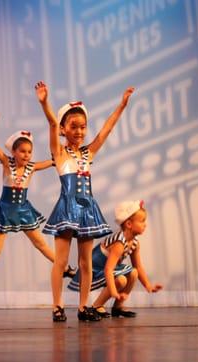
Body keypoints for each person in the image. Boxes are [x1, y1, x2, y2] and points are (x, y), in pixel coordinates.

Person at [35, 80, 135, 322]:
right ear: (63, 129)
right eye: (73, 126)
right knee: (61, 261)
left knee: (85, 261)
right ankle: (57, 306)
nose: (79, 131)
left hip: (87, 209)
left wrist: (122, 106)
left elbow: (107, 130)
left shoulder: (88, 153)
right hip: (67, 208)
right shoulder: (58, 153)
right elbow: (50, 122)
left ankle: (83, 307)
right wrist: (44, 102)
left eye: (83, 127)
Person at [0, 109, 76, 293]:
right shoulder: (6, 162)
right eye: (22, 151)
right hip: (6, 209)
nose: (26, 155)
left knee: (40, 243)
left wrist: (65, 142)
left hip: (23, 210)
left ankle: (65, 268)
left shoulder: (32, 167)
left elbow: (55, 159)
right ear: (14, 151)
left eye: (29, 152)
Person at [68, 200, 162, 318]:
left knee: (133, 272)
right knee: (121, 280)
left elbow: (138, 266)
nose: (145, 224)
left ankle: (118, 306)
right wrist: (113, 292)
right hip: (95, 270)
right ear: (129, 224)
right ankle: (97, 306)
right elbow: (108, 269)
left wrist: (148, 286)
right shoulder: (119, 243)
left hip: (107, 268)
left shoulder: (134, 243)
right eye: (142, 221)